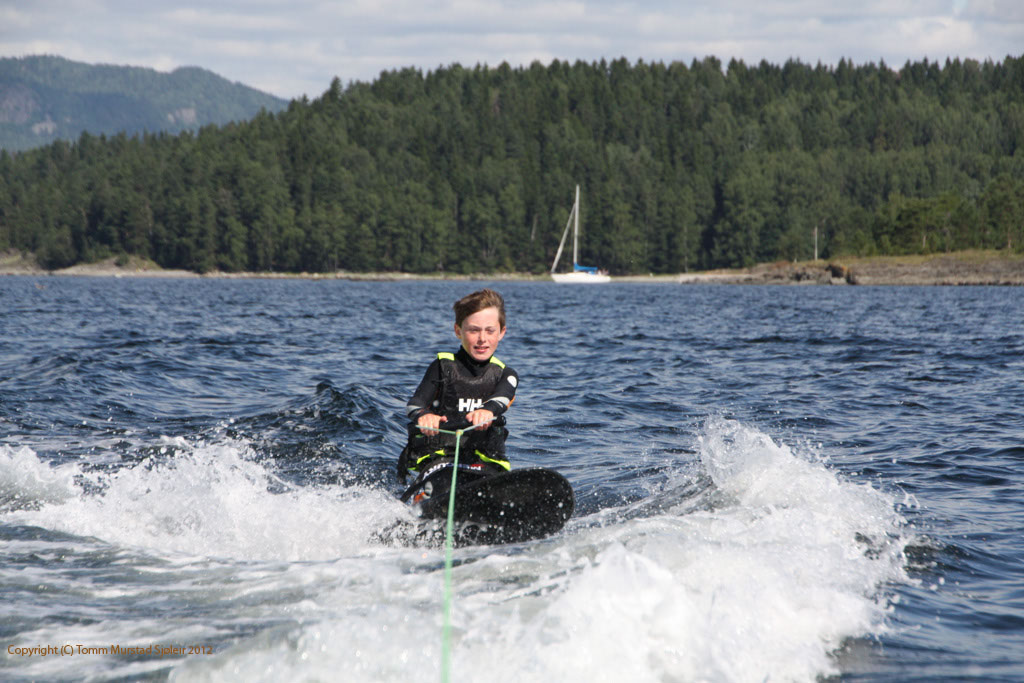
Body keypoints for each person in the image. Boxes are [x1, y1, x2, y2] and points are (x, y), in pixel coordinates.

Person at [397, 289, 519, 491]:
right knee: (445, 484)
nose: (482, 338)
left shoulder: (506, 375)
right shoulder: (441, 367)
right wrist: (424, 416)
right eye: (473, 330)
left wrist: (487, 411)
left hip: (486, 462)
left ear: (502, 332)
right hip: (440, 460)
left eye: (490, 331)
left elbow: (501, 400)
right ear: (458, 331)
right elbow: (414, 404)